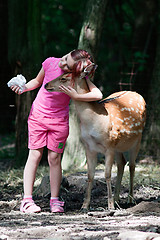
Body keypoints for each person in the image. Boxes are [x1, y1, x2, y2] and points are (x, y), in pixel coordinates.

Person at [10, 49, 103, 213]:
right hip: (38, 116)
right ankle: (27, 200)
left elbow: (97, 94)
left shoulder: (78, 76)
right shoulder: (50, 62)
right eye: (66, 59)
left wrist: (76, 96)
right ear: (68, 53)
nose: (63, 64)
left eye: (68, 67)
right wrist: (24, 88)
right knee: (35, 155)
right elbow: (37, 82)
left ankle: (54, 200)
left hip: (59, 121)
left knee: (54, 158)